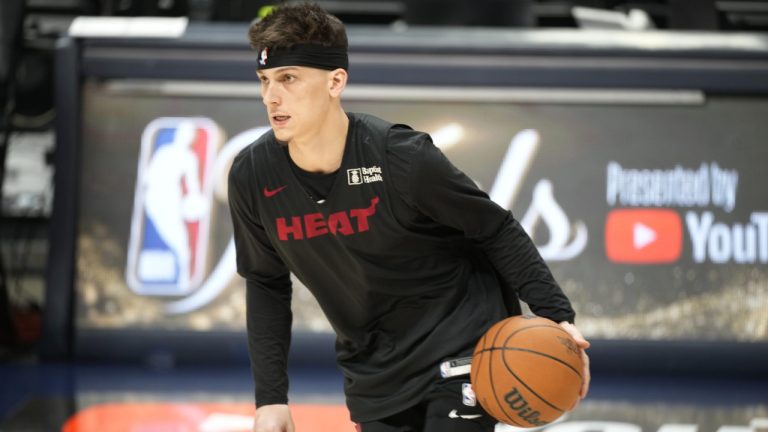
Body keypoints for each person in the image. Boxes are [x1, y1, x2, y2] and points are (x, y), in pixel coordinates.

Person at [228, 3, 590, 431]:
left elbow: (494, 227)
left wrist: (556, 315)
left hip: (462, 347)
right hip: (376, 370)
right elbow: (267, 282)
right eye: (265, 80)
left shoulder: (401, 157)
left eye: (288, 79)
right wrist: (270, 399)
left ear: (335, 81)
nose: (271, 96)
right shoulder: (252, 176)